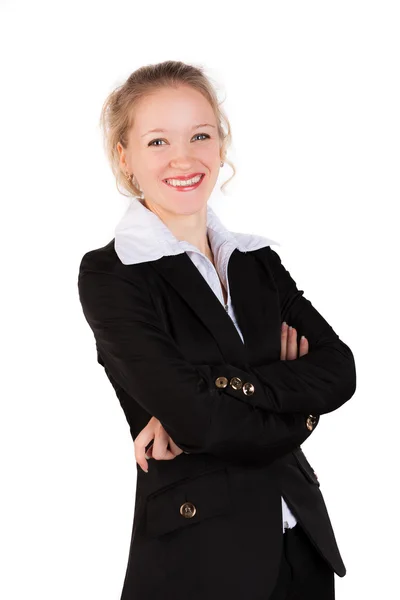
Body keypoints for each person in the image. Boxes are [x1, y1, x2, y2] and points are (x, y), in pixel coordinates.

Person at [77, 60, 356, 600]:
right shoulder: (112, 274)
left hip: (302, 546)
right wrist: (295, 401)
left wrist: (224, 382)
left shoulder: (257, 261)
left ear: (221, 147)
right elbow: (201, 421)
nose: (184, 158)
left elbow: (339, 368)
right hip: (199, 558)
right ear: (125, 157)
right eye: (158, 141)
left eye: (200, 135)